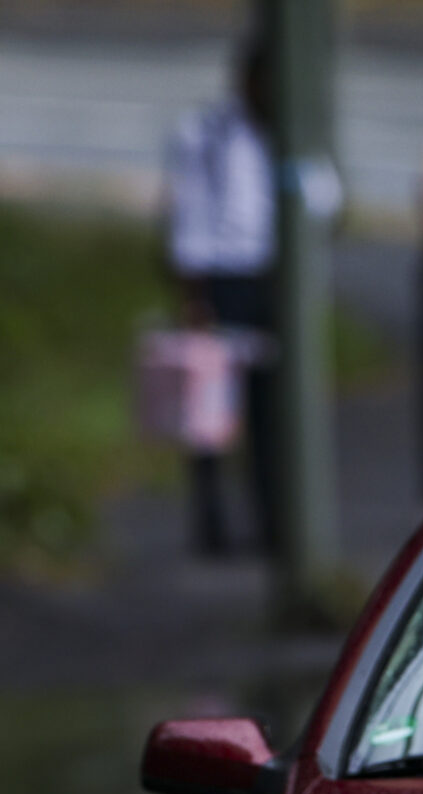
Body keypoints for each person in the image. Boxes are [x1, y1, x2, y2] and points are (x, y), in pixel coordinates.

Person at [163, 35, 277, 558]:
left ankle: (273, 520)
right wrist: (194, 294)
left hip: (271, 277)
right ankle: (213, 524)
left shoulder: (290, 136)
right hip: (222, 278)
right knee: (212, 410)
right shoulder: (208, 134)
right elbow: (190, 216)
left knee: (271, 407)